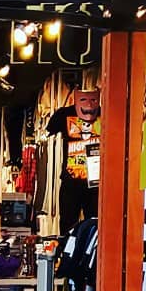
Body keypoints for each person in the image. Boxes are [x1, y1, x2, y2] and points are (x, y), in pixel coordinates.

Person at [45, 87, 101, 231]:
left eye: (93, 100)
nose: (89, 104)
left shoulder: (105, 114)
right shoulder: (64, 114)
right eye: (83, 99)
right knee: (68, 223)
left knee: (95, 224)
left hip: (96, 181)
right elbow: (50, 129)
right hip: (71, 179)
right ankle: (68, 245)